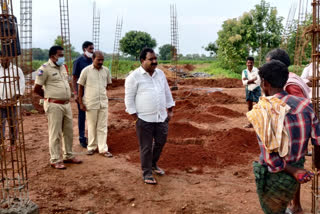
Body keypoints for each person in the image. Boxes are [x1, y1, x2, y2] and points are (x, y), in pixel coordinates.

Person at [247, 60, 320, 214]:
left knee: (274, 210)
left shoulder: (261, 111)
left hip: (277, 176)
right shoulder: (305, 105)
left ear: (265, 83)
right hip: (296, 174)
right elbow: (318, 141)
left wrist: (294, 171)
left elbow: (271, 159)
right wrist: (316, 166)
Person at [265, 48, 312, 214]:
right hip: (292, 134)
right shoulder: (289, 80)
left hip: (292, 135)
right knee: (293, 165)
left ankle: (295, 206)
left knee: (291, 165)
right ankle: (294, 205)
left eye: (269, 64)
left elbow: (298, 109)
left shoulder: (290, 85)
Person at [124, 47, 175, 185]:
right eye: (151, 59)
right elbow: (129, 99)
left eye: (155, 58)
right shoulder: (133, 77)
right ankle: (147, 173)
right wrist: (135, 118)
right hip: (144, 119)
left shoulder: (160, 74)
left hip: (161, 117)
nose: (154, 61)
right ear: (142, 60)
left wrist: (170, 109)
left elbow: (166, 91)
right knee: (145, 147)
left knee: (161, 142)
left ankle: (153, 164)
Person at [34, 45, 82, 169]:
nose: (62, 57)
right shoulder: (44, 69)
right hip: (54, 105)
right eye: (60, 55)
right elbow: (36, 88)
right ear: (52, 56)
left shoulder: (63, 67)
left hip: (66, 104)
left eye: (62, 55)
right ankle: (55, 159)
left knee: (68, 131)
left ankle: (68, 155)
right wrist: (48, 97)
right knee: (55, 133)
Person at [77, 51, 113, 158]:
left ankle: (103, 149)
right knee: (92, 125)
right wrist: (81, 102)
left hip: (103, 102)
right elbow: (80, 87)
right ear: (93, 59)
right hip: (90, 102)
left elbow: (107, 85)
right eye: (98, 60)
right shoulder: (86, 71)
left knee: (102, 126)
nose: (101, 62)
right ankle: (91, 147)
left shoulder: (106, 70)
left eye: (102, 60)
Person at [0, 55, 25, 152]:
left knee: (13, 124)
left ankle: (13, 143)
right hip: (0, 103)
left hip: (13, 103)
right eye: (2, 58)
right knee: (0, 124)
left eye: (6, 58)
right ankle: (1, 144)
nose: (4, 60)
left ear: (10, 58)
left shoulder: (17, 70)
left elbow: (21, 86)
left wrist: (13, 99)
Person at [72, 41, 94, 148]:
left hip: (92, 92)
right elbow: (74, 78)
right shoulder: (78, 61)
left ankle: (92, 137)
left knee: (92, 115)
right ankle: (82, 137)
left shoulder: (93, 60)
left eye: (93, 49)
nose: (92, 51)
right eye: (90, 49)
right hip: (82, 93)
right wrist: (76, 93)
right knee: (82, 115)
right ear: (84, 49)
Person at [242, 56, 261, 128]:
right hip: (248, 90)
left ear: (253, 63)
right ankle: (251, 123)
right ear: (246, 63)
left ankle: (259, 123)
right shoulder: (244, 71)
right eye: (248, 63)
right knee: (249, 107)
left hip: (256, 89)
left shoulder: (257, 71)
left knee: (259, 106)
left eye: (251, 63)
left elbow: (258, 81)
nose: (250, 64)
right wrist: (252, 80)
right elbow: (244, 83)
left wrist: (248, 81)